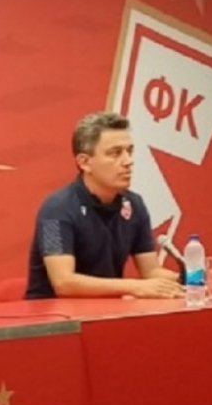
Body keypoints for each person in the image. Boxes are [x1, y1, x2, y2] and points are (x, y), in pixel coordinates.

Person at [25, 112, 184, 300]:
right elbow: (63, 283)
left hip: (105, 311)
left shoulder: (134, 204)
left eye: (129, 151)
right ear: (85, 162)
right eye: (115, 153)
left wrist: (186, 278)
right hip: (53, 315)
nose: (128, 161)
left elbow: (151, 272)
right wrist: (135, 287)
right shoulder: (55, 208)